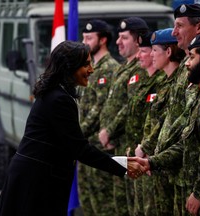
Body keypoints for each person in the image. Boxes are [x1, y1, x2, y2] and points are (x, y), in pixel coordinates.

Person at [0, 40, 145, 216]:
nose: (91, 70)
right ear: (69, 67)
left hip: (36, 178)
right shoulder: (59, 99)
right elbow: (79, 149)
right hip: (35, 182)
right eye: (86, 64)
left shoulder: (57, 93)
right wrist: (123, 165)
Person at [131, 33, 200, 216]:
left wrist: (199, 194)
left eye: (192, 57)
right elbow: (186, 145)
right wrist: (151, 163)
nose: (186, 63)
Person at [98, 17, 149, 216]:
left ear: (138, 41)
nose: (118, 42)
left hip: (130, 147)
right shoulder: (124, 67)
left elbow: (131, 106)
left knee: (130, 207)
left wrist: (109, 131)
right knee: (121, 205)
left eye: (124, 37)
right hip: (118, 146)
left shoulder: (141, 70)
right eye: (118, 37)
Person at [134, 28, 185, 216]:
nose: (152, 55)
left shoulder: (177, 84)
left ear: (169, 52)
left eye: (155, 50)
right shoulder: (165, 83)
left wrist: (146, 146)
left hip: (166, 162)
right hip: (156, 160)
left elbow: (168, 123)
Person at [78, 19, 120, 216]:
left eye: (89, 38)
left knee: (104, 203)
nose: (84, 42)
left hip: (99, 145)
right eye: (83, 37)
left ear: (102, 40)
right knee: (87, 201)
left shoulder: (110, 68)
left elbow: (100, 106)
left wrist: (78, 131)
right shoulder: (90, 66)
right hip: (86, 144)